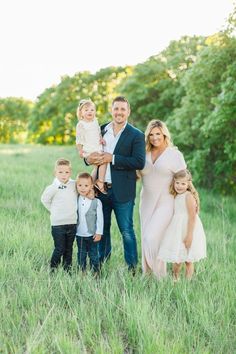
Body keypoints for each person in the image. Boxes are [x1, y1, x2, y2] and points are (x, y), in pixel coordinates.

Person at [86, 96, 145, 272]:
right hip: (100, 190)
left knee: (126, 231)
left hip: (123, 192)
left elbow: (139, 162)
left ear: (128, 111)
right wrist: (88, 159)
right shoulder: (101, 129)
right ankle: (102, 264)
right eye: (116, 108)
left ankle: (132, 268)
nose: (119, 112)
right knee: (102, 229)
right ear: (111, 110)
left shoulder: (136, 135)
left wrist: (113, 158)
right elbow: (89, 152)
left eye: (123, 109)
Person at [139, 119, 187, 279]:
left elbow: (185, 179)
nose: (154, 138)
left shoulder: (174, 154)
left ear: (164, 134)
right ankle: (147, 275)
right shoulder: (144, 153)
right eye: (151, 134)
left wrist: (191, 199)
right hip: (146, 201)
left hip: (166, 202)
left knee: (151, 237)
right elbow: (136, 175)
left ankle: (160, 276)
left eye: (158, 134)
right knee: (145, 238)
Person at [158, 169, 207, 280]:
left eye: (183, 183)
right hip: (177, 230)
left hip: (188, 229)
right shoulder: (176, 195)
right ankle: (176, 279)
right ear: (174, 182)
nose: (179, 186)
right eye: (177, 183)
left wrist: (189, 236)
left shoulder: (188, 196)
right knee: (177, 258)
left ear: (188, 184)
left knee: (188, 259)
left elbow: (192, 217)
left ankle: (188, 282)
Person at [41, 158, 77, 272]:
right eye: (60, 172)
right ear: (55, 173)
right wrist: (54, 210)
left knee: (69, 249)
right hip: (58, 224)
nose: (63, 175)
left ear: (70, 172)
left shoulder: (74, 185)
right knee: (59, 248)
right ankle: (53, 269)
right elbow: (44, 200)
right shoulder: (52, 188)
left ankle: (68, 270)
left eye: (66, 172)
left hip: (72, 223)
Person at [76, 99, 107, 194]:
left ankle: (91, 185)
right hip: (89, 149)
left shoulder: (95, 121)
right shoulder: (81, 124)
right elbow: (79, 139)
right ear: (81, 113)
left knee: (98, 166)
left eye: (92, 110)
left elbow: (98, 131)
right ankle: (100, 182)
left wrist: (101, 138)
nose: (90, 112)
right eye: (86, 110)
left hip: (97, 146)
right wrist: (80, 151)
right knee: (103, 162)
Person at [75, 172, 103, 275]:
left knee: (94, 255)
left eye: (86, 186)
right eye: (80, 185)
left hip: (92, 235)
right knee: (81, 255)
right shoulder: (76, 199)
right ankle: (81, 272)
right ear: (76, 186)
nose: (83, 188)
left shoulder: (96, 202)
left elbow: (100, 219)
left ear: (91, 186)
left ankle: (95, 273)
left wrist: (99, 232)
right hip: (79, 234)